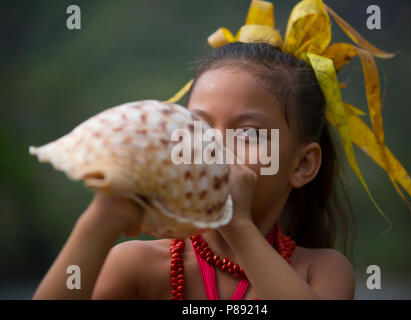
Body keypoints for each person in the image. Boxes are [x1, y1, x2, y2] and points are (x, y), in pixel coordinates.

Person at [32, 41, 355, 300]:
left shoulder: (322, 271)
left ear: (302, 164)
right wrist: (103, 215)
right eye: (198, 126)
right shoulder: (136, 265)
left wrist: (237, 225)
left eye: (249, 134)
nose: (213, 146)